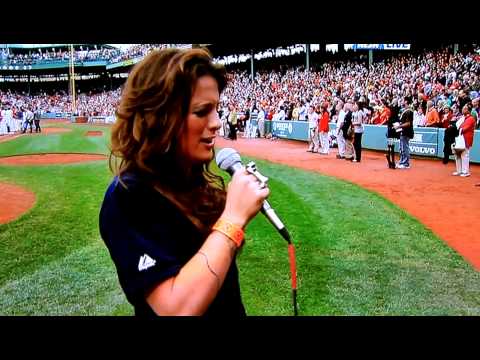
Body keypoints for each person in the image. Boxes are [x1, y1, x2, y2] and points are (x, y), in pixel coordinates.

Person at [99, 48, 270, 316]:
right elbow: (175, 309)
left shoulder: (191, 179)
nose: (216, 123)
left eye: (217, 109)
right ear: (160, 117)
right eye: (202, 111)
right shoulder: (128, 196)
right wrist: (233, 219)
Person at [452, 103, 476, 177]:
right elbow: (457, 126)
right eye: (463, 108)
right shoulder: (462, 118)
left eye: (464, 108)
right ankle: (459, 171)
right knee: (457, 154)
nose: (462, 109)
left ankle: (465, 171)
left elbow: (464, 128)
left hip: (466, 139)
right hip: (459, 138)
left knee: (465, 155)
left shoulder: (471, 118)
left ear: (468, 110)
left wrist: (456, 129)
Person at [394, 97, 414, 169]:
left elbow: (408, 123)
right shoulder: (405, 111)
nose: (402, 102)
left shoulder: (409, 111)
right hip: (403, 131)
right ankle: (402, 161)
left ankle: (406, 163)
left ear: (406, 102)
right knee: (401, 147)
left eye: (403, 100)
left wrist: (399, 126)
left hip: (407, 132)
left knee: (405, 148)